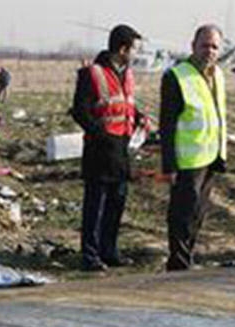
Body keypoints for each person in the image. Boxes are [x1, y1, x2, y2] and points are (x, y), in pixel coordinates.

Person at [71, 24, 144, 271]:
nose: (137, 54)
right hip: (100, 151)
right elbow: (80, 111)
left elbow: (125, 105)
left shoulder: (127, 74)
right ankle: (90, 255)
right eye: (135, 49)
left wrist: (140, 117)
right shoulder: (92, 74)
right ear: (122, 49)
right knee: (96, 206)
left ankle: (109, 251)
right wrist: (99, 133)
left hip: (122, 150)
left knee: (117, 203)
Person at [160, 24, 227, 271]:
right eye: (205, 45)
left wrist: (222, 153)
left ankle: (187, 258)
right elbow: (166, 125)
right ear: (193, 46)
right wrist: (169, 165)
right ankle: (177, 263)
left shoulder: (217, 75)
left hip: (210, 156)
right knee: (182, 215)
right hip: (187, 161)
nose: (209, 51)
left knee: (198, 215)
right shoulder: (177, 76)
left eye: (214, 47)